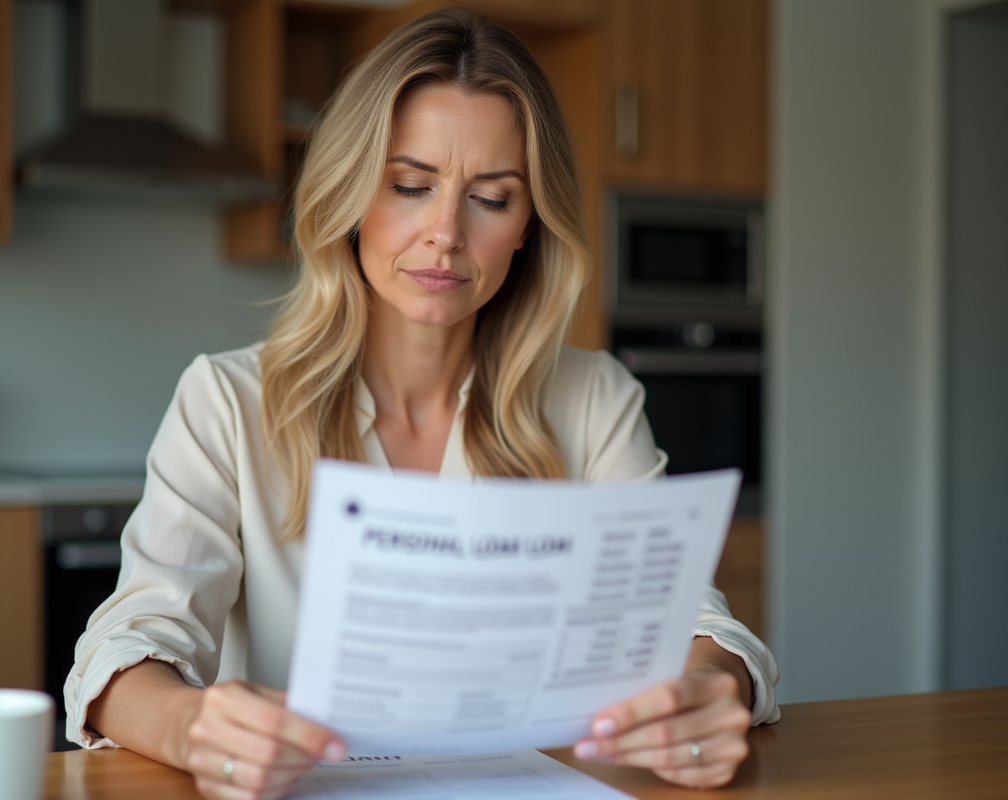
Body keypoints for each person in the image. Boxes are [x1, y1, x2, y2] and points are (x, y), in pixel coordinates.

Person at [66, 7, 779, 798]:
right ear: (349, 194)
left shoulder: (593, 399)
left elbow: (690, 623)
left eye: (492, 198)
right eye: (409, 186)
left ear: (528, 225)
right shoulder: (227, 402)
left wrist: (710, 687)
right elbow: (127, 646)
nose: (445, 233)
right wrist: (192, 726)